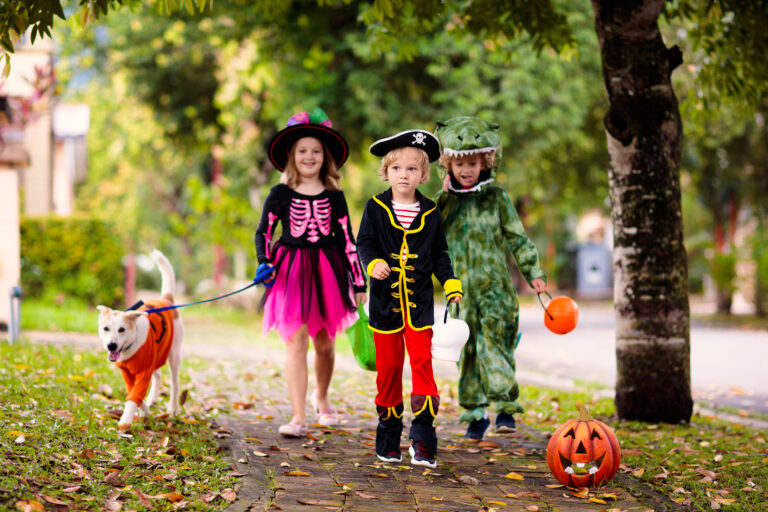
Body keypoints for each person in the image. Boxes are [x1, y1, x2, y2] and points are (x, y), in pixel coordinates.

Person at [256, 108, 367, 438]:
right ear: (291, 156)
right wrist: (263, 260)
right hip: (289, 270)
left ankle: (322, 397)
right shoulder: (279, 194)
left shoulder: (335, 197)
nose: (309, 156)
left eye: (316, 151)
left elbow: (348, 239)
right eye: (302, 151)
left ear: (325, 157)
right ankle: (299, 415)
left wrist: (358, 280)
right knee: (295, 342)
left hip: (327, 270)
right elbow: (264, 231)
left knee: (324, 344)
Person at [434, 116, 547, 440]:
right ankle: (475, 413)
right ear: (448, 166)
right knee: (466, 350)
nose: (466, 170)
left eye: (473, 162)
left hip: (495, 288)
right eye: (460, 164)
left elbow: (517, 237)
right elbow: (426, 234)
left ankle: (505, 409)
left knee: (495, 345)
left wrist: (533, 273)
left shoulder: (497, 197)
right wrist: (442, 198)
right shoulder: (446, 202)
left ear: (486, 161)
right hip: (459, 292)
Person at [356, 129, 463, 469]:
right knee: (387, 372)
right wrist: (373, 264)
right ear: (386, 172)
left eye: (412, 169)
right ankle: (388, 438)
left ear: (423, 174)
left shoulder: (431, 212)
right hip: (385, 308)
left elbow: (440, 255)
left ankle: (423, 440)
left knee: (423, 369)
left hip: (420, 310)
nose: (404, 175)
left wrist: (450, 283)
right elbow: (365, 244)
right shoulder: (375, 207)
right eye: (397, 168)